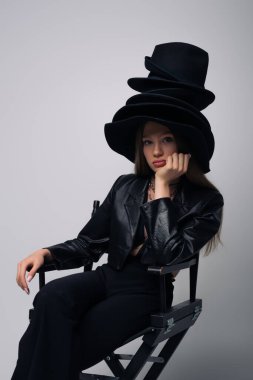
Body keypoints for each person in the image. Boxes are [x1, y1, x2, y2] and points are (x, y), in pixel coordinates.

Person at [11, 42, 224, 380]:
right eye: (147, 141)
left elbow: (164, 255)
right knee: (50, 298)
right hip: (107, 277)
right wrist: (47, 253)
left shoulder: (206, 202)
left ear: (183, 142)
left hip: (147, 292)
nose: (155, 150)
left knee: (61, 340)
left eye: (166, 139)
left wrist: (163, 189)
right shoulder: (126, 185)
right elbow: (89, 243)